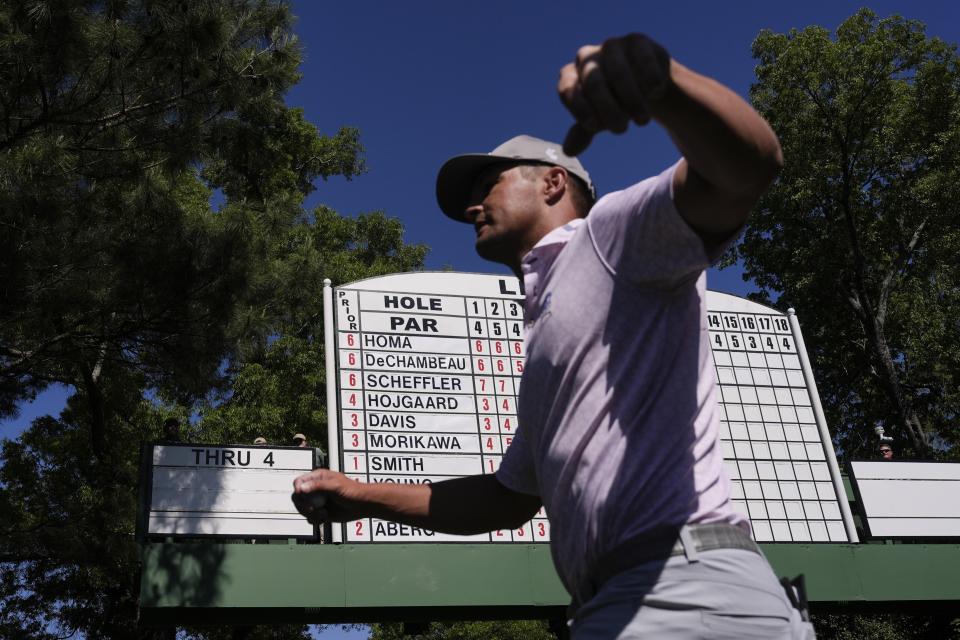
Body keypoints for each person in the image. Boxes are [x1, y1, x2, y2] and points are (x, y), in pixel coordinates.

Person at [293, 33, 813, 638]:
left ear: (552, 184)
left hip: (683, 585)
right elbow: (505, 500)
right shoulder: (544, 335)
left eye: (488, 184)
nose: (471, 208)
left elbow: (747, 169)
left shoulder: (609, 237)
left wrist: (662, 85)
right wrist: (360, 496)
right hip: (628, 597)